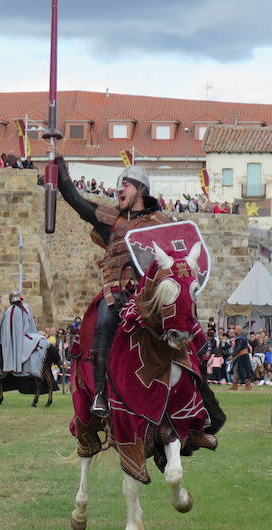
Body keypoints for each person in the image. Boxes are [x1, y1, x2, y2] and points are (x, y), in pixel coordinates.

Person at [54, 156, 174, 416]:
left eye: (127, 185)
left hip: (151, 295)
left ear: (141, 190)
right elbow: (78, 202)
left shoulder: (162, 223)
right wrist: (62, 175)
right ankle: (100, 394)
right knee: (103, 328)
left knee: (183, 329)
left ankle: (199, 401)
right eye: (119, 185)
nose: (120, 190)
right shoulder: (113, 220)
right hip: (117, 294)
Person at [229, 324, 253, 390]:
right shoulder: (241, 337)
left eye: (235, 329)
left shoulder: (240, 338)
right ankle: (234, 385)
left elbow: (238, 348)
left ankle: (248, 386)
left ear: (239, 330)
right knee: (235, 369)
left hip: (243, 356)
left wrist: (232, 355)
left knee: (244, 370)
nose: (234, 330)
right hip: (239, 356)